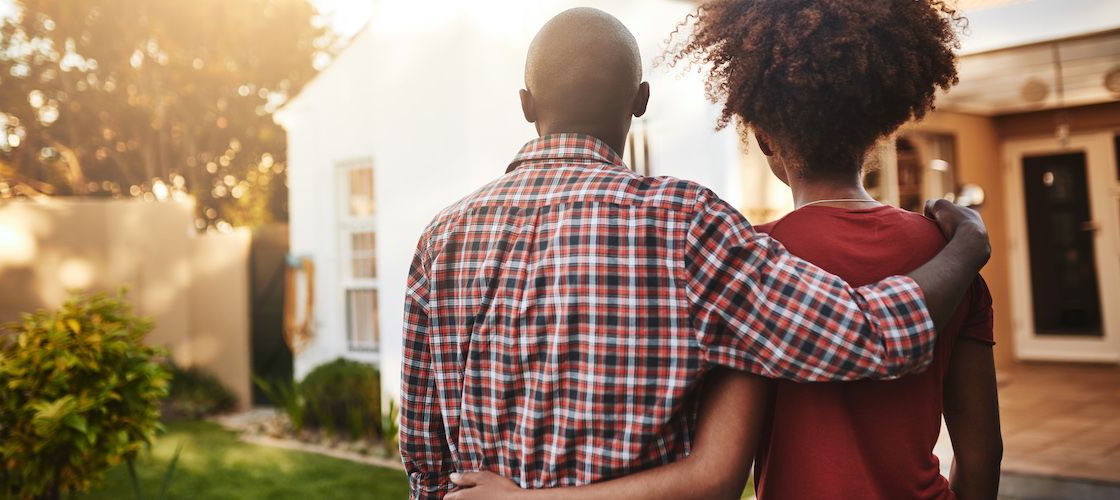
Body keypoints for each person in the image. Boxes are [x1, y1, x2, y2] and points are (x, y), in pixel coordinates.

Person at [403, 6, 991, 500]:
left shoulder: (439, 240)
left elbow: (424, 460)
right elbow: (870, 337)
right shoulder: (689, 228)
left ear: (527, 104)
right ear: (640, 100)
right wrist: (966, 245)